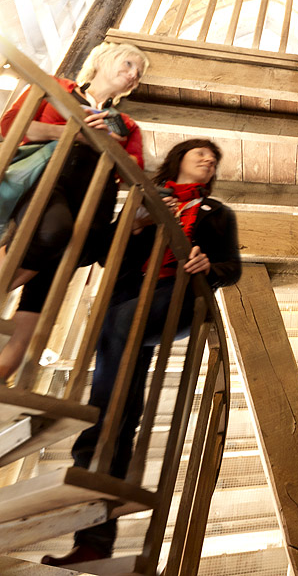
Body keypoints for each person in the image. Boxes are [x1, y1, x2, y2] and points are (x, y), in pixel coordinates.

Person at [43, 138, 241, 568]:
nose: (208, 160)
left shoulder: (218, 213)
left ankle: (93, 451)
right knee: (119, 409)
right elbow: (104, 256)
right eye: (199, 154)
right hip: (130, 300)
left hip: (178, 298)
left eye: (213, 158)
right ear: (178, 160)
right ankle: (95, 539)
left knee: (113, 359)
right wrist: (135, 223)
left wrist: (209, 266)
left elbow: (232, 268)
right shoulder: (145, 199)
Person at [0, 41, 149, 379]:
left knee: (50, 284)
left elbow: (132, 173)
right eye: (129, 65)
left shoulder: (126, 123)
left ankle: (5, 371)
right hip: (51, 181)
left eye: (137, 75)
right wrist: (73, 133)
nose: (133, 75)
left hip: (94, 203)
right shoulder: (57, 88)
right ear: (103, 59)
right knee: (53, 232)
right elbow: (10, 127)